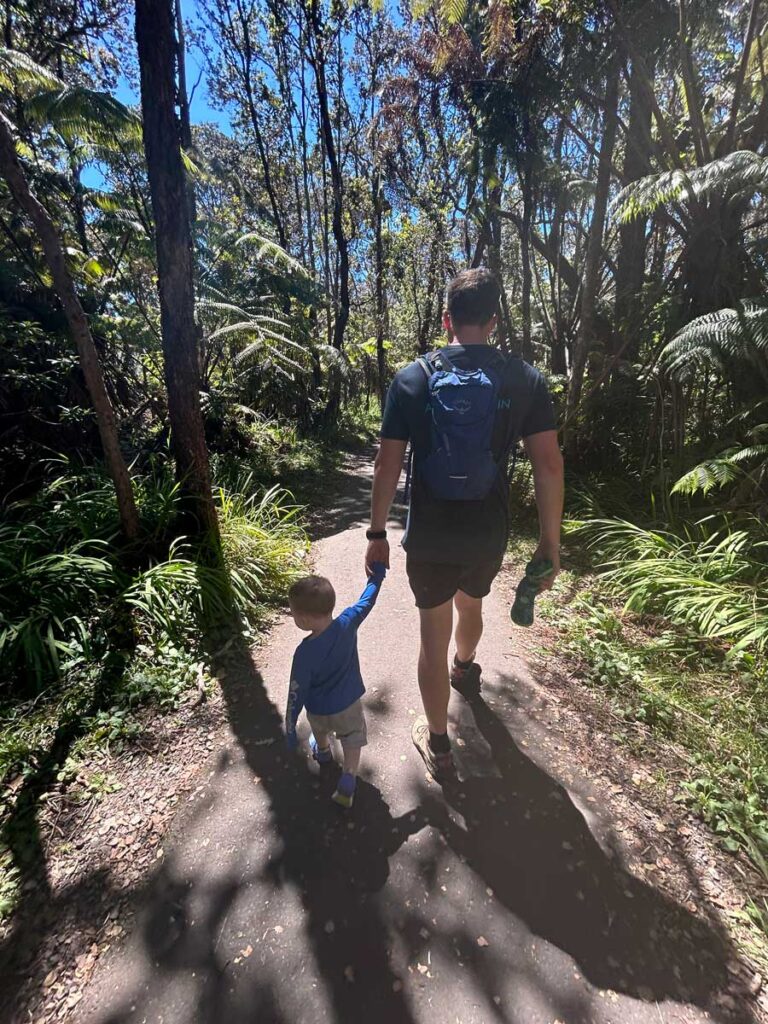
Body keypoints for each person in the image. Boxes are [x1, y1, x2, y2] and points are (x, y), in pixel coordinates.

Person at [365, 267, 564, 781]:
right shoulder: (523, 379)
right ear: (494, 321)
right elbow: (549, 464)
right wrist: (549, 541)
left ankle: (440, 745)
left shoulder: (412, 378)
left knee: (432, 633)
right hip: (487, 532)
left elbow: (387, 465)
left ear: (447, 319)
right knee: (471, 603)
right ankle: (464, 667)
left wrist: (377, 533)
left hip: (430, 537)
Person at [284, 563, 387, 808]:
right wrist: (377, 576)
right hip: (348, 705)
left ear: (305, 619)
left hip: (318, 711)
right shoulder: (348, 621)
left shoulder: (304, 652)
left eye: (293, 613)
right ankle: (348, 777)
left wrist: (289, 728)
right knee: (351, 738)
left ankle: (323, 752)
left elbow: (296, 692)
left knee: (319, 731)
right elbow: (367, 600)